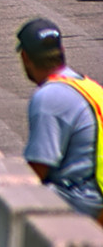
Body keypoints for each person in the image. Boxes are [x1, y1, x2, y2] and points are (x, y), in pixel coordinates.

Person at [17, 17, 103, 222]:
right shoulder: (89, 87)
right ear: (62, 50)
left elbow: (38, 168)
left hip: (82, 203)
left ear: (25, 57)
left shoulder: (50, 96)